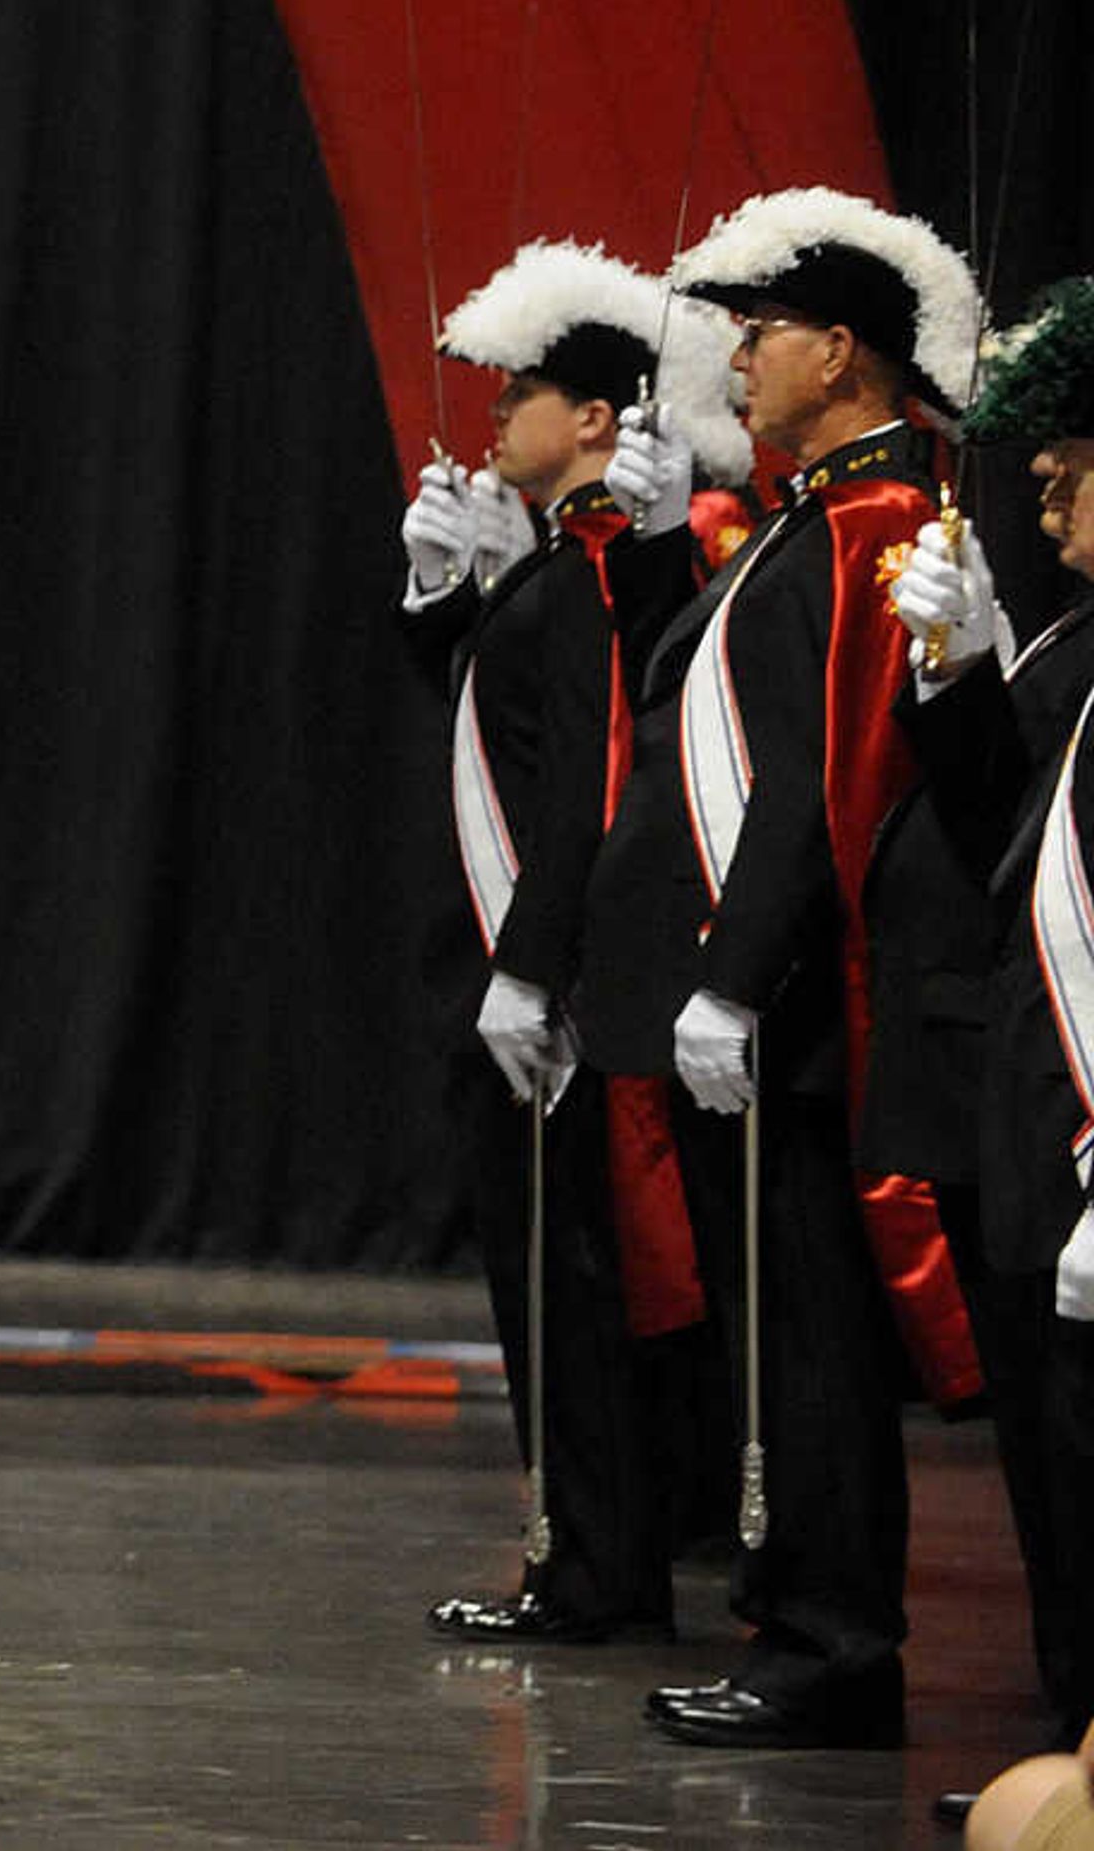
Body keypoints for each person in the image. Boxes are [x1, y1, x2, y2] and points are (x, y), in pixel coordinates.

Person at [578, 186, 988, 1749]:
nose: (736, 365)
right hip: (751, 995)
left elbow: (831, 775)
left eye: (761, 339)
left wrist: (737, 975)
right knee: (772, 1327)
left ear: (844, 349)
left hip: (803, 1004)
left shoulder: (882, 519)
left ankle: (832, 1640)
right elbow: (703, 714)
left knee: (807, 1335)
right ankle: (792, 1614)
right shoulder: (811, 516)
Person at [396, 243, 731, 1646]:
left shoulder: (604, 567)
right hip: (530, 975)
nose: (497, 413)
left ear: (598, 418)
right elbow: (505, 725)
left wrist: (532, 967)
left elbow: (586, 785)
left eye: (526, 390)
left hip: (562, 991)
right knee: (549, 1279)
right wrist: (448, 598)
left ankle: (592, 1563)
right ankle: (583, 1550)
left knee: (570, 1285)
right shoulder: (553, 567)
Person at [887, 278, 1094, 1756]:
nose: (1047, 482)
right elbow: (992, 824)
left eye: (1076, 463)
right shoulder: (1072, 638)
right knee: (1050, 1462)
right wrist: (960, 671)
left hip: (1079, 1125)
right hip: (1025, 1113)